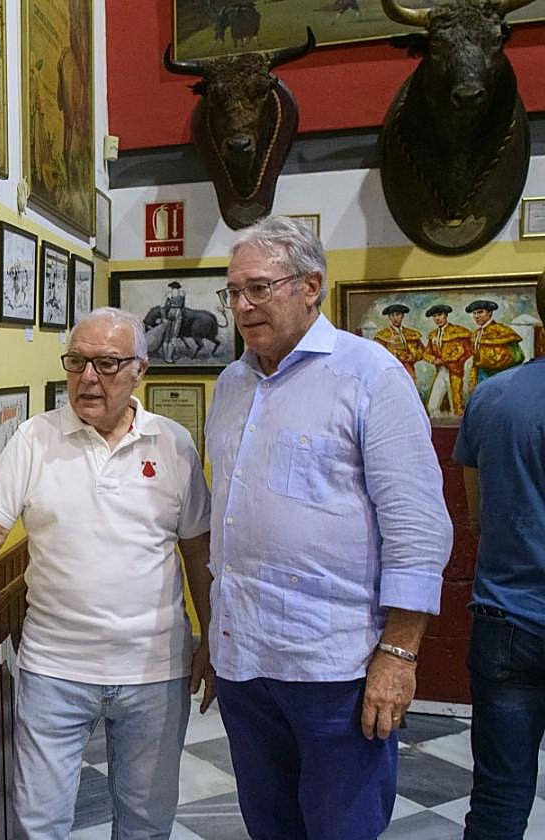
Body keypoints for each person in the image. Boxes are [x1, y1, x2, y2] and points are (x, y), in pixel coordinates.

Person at [204, 215, 451, 840]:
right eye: (233, 291)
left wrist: (399, 654)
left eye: (259, 288)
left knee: (342, 827)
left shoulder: (370, 377)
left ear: (310, 285)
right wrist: (214, 635)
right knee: (270, 826)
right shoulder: (233, 383)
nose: (241, 305)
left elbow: (418, 529)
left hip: (335, 667)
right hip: (245, 660)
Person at [0, 307, 214, 839]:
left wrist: (211, 638)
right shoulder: (35, 439)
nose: (88, 377)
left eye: (106, 364)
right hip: (53, 669)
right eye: (77, 362)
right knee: (39, 824)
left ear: (139, 370)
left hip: (153, 669)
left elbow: (197, 550)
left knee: (146, 824)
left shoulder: (173, 444)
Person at [453, 270, 545, 840]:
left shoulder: (493, 395)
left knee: (499, 796)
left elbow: (478, 517)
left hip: (509, 619)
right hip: (511, 616)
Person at [421, 303, 472, 418]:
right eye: (434, 316)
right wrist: (434, 360)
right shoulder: (433, 335)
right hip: (441, 371)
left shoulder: (458, 331)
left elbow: (468, 351)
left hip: (456, 371)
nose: (437, 318)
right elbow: (426, 353)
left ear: (446, 316)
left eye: (440, 315)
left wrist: (457, 361)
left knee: (456, 404)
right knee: (432, 406)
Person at [466, 299, 524, 390]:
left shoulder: (502, 331)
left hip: (501, 377)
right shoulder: (476, 334)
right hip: (480, 377)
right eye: (474, 313)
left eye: (480, 312)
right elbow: (475, 360)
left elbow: (517, 357)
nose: (476, 316)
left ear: (490, 313)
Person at [373, 302, 423, 379]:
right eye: (392, 315)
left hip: (409, 369)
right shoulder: (382, 335)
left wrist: (411, 357)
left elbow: (421, 351)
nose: (395, 318)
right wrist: (395, 356)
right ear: (389, 317)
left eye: (398, 315)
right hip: (390, 370)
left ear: (402, 316)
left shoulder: (412, 333)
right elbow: (378, 354)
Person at [162, 280, 186, 363]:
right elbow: (183, 305)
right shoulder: (182, 293)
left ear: (171, 287)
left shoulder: (169, 293)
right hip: (178, 312)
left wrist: (163, 318)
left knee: (167, 336)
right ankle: (169, 358)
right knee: (174, 336)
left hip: (170, 312)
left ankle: (165, 357)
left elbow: (163, 306)